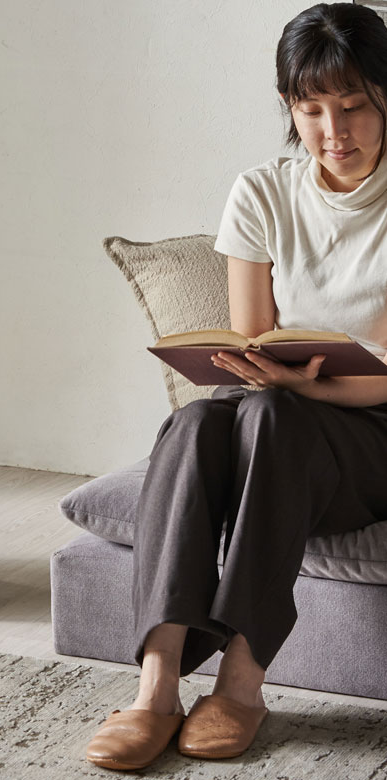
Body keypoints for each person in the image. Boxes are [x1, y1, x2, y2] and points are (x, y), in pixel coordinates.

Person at [85, 2, 387, 771]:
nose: (334, 131)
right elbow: (252, 339)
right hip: (277, 418)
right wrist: (267, 373)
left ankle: (242, 684)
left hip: (371, 436)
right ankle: (155, 690)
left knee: (276, 415)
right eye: (311, 108)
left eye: (353, 106)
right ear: (288, 106)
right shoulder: (261, 192)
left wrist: (307, 391)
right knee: (197, 424)